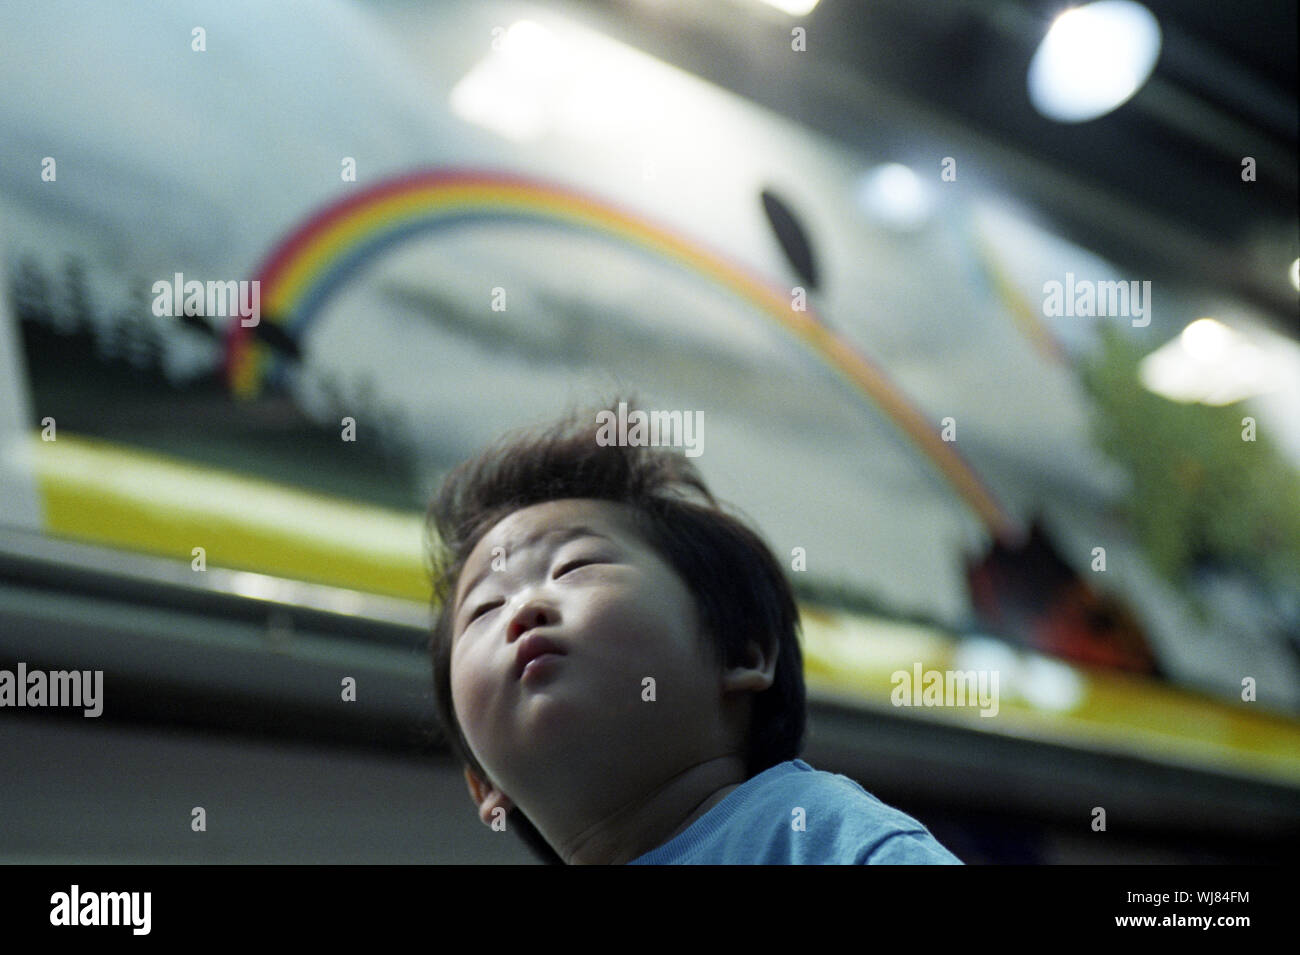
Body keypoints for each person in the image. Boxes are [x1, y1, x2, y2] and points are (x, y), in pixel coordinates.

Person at [425, 396, 962, 865]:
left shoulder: (813, 833)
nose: (523, 608)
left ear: (740, 652)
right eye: (485, 608)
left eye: (573, 566)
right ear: (482, 783)